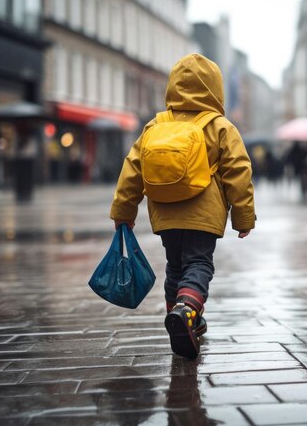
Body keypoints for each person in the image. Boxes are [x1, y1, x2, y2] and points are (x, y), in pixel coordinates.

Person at [109, 53, 256, 359]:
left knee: (175, 267)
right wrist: (243, 217)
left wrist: (124, 211)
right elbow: (238, 171)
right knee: (199, 264)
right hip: (204, 215)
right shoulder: (220, 127)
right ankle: (187, 311)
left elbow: (132, 168)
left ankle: (183, 318)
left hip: (165, 213)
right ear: (215, 88)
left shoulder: (156, 125)